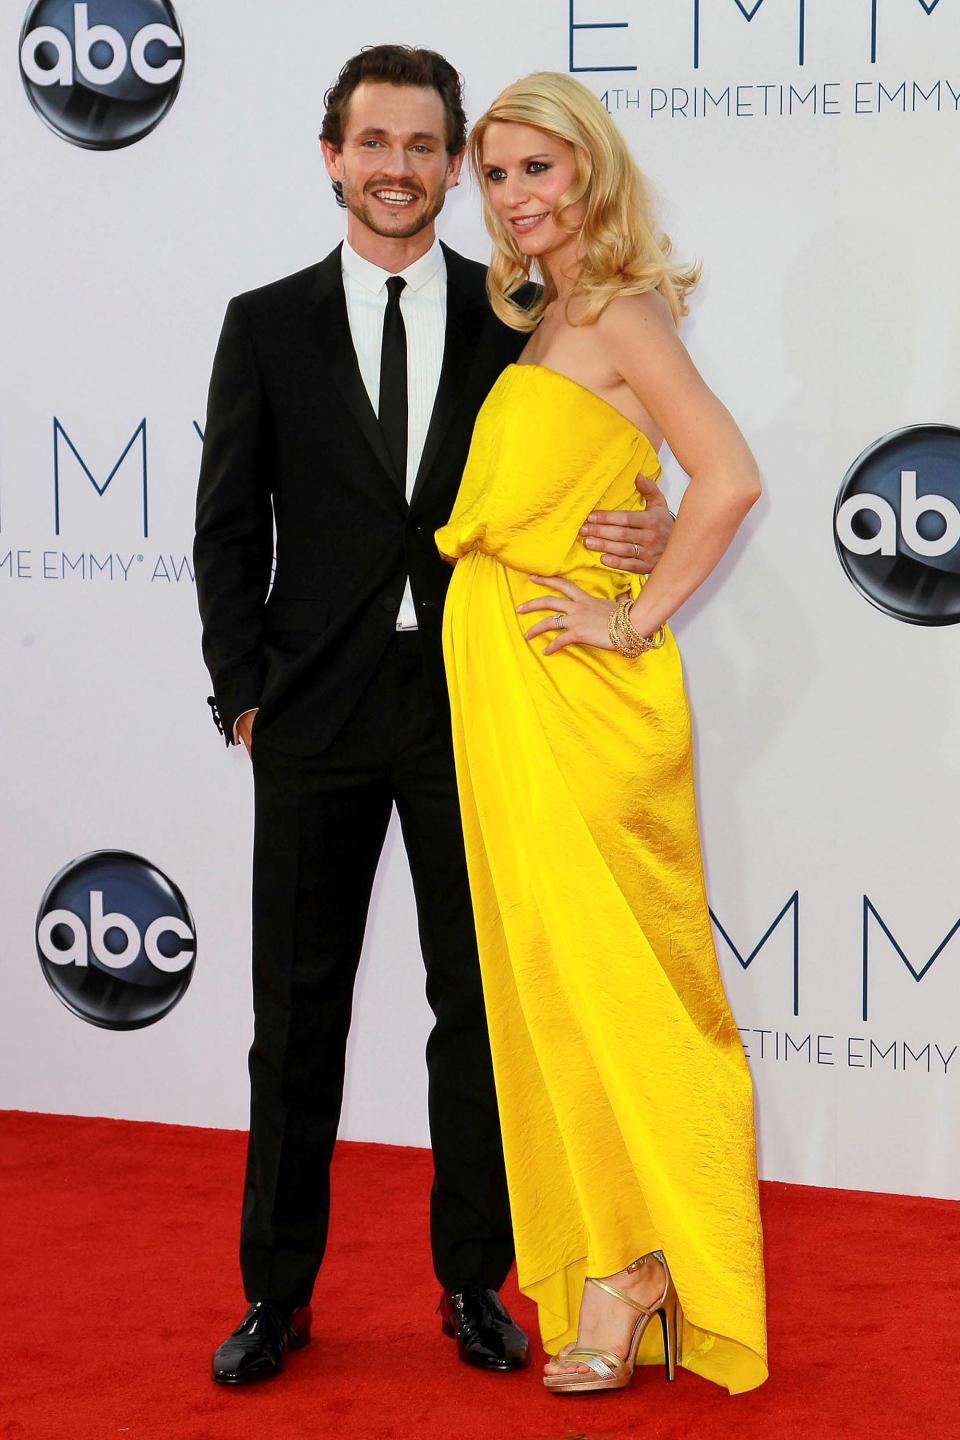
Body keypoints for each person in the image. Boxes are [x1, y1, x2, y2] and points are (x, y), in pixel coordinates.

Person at [193, 46, 671, 1387]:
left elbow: (608, 455)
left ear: (454, 165)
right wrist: (243, 697)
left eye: (424, 145)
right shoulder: (266, 322)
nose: (398, 167)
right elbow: (227, 528)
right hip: (311, 715)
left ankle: (475, 1281)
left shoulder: (515, 311)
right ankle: (275, 1299)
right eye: (373, 142)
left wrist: (648, 529)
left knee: (478, 1010)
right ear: (332, 156)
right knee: (296, 1017)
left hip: (481, 706)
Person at [436, 71, 769, 1397]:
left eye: (538, 170)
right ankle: (617, 1266)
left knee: (622, 987)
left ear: (592, 172)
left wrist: (633, 618)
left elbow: (729, 476)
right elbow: (616, 474)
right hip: (512, 696)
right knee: (551, 992)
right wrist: (628, 525)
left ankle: (648, 1267)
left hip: (581, 699)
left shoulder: (621, 309)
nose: (516, 200)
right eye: (498, 177)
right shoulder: (542, 319)